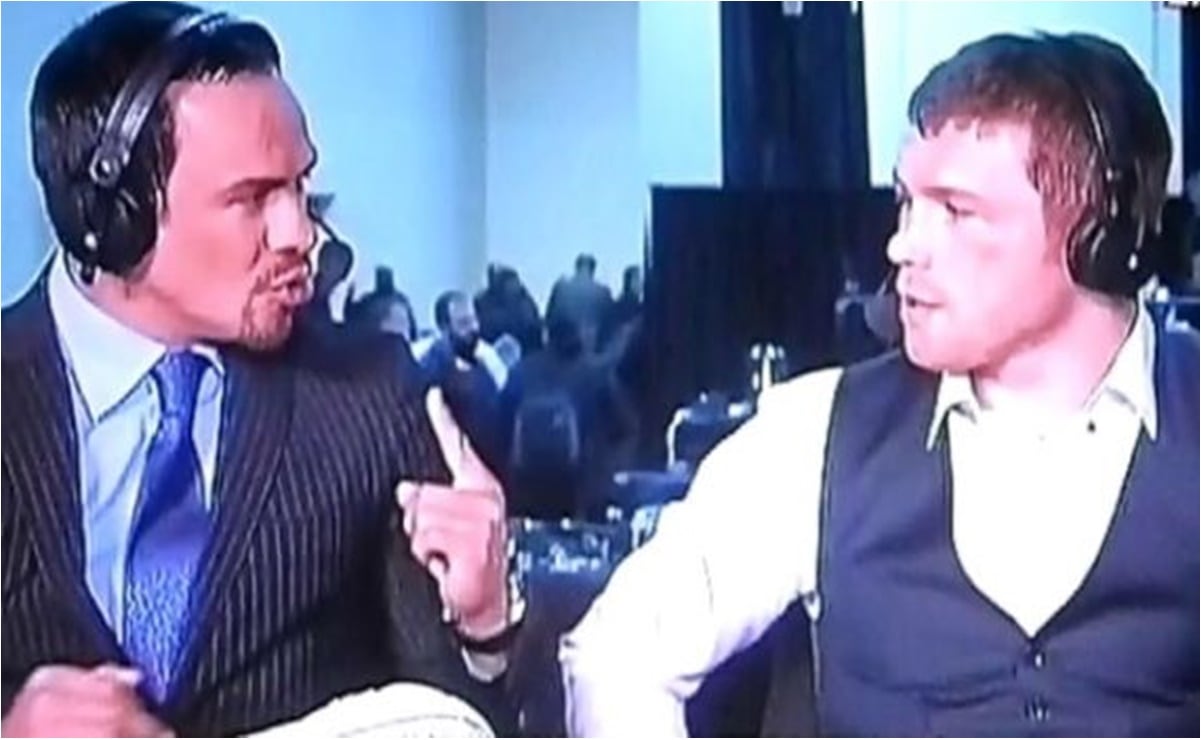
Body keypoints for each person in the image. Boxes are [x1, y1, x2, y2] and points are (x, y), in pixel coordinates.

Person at [561, 32, 1197, 736]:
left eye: (956, 211)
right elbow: (615, 656)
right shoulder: (814, 433)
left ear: (1093, 235)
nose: (902, 245)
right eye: (905, 204)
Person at [1, 4, 521, 736]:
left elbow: (450, 717)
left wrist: (483, 628)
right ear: (111, 218)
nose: (300, 234)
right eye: (251, 199)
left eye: (300, 188)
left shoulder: (372, 398)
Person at [546, 254, 613, 355]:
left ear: (576, 268)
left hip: (561, 347)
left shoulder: (561, 287)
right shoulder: (602, 292)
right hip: (590, 348)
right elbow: (608, 325)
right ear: (593, 270)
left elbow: (551, 317)